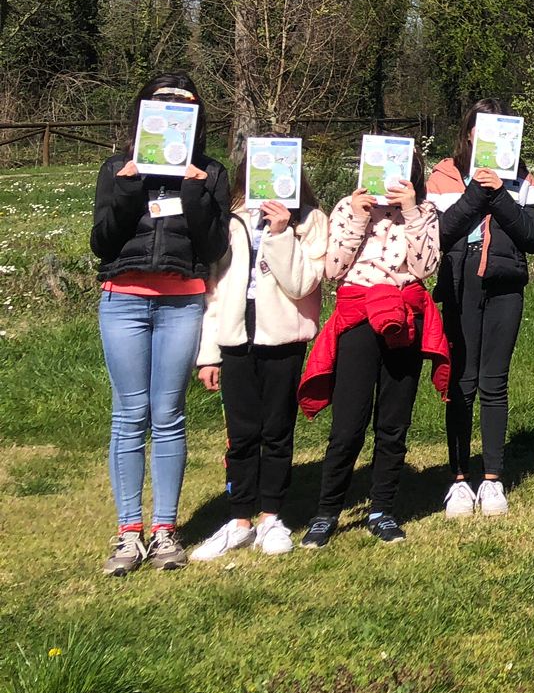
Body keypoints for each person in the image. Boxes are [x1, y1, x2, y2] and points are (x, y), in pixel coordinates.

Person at [90, 72, 233, 575]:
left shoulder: (211, 173)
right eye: (161, 103)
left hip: (182, 303)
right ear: (143, 112)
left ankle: (166, 531)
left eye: (183, 104)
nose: (173, 111)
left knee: (168, 414)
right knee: (129, 416)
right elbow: (103, 243)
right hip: (123, 301)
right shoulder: (117, 168)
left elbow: (215, 248)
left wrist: (195, 192)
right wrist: (129, 187)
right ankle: (129, 534)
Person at [299, 146, 449, 548]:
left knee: (393, 421)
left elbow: (426, 268)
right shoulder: (349, 209)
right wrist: (359, 216)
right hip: (359, 315)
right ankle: (327, 510)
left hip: (406, 316)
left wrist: (414, 211)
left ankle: (382, 508)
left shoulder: (426, 212)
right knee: (348, 423)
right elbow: (333, 269)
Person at [190, 161, 329, 560]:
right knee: (241, 433)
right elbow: (214, 289)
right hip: (235, 340)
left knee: (276, 430)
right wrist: (208, 353)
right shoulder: (232, 218)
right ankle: (238, 520)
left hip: (282, 339)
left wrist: (282, 233)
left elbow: (302, 283)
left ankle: (272, 517)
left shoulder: (310, 221)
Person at [428, 99, 534, 518]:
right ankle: (459, 479)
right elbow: (438, 235)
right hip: (461, 285)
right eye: (483, 130)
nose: (490, 140)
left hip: (505, 286)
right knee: (461, 382)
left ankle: (493, 478)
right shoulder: (443, 175)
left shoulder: (522, 178)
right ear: (470, 133)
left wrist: (500, 195)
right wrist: (477, 192)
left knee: (495, 382)